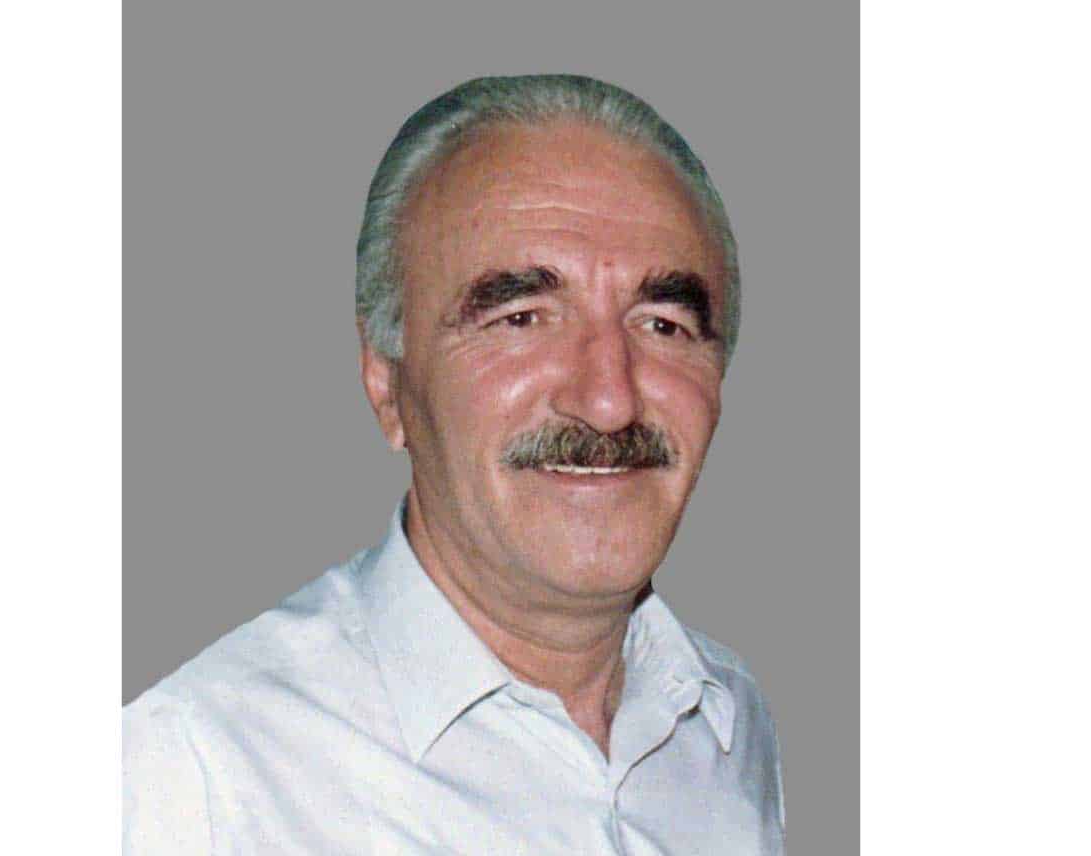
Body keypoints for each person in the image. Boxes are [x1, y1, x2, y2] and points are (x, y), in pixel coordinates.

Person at [124, 74, 786, 855]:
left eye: (663, 324)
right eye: (522, 318)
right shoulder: (196, 778)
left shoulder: (726, 728)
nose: (610, 400)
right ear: (387, 383)